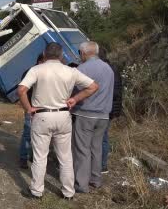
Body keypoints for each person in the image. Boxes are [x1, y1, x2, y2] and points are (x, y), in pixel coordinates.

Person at [18, 42, 98, 200]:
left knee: (40, 156)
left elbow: (21, 89)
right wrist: (75, 99)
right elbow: (93, 86)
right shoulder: (71, 71)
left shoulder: (36, 70)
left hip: (42, 115)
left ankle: (36, 191)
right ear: (61, 55)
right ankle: (68, 192)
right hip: (63, 116)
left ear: (44, 53)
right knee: (65, 157)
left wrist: (28, 108)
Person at [72, 41, 114, 193]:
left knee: (82, 149)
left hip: (85, 113)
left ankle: (81, 184)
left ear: (83, 53)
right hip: (103, 115)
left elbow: (74, 92)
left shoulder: (82, 69)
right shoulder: (108, 68)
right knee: (96, 148)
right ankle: (95, 180)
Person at [98, 47, 123, 174]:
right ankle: (103, 165)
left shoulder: (104, 70)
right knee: (104, 137)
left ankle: (100, 165)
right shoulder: (113, 68)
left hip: (104, 109)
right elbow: (118, 91)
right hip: (111, 109)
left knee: (101, 137)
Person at [19, 54, 45, 169]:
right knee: (28, 134)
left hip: (42, 110)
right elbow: (22, 91)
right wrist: (28, 108)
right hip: (31, 108)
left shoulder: (43, 73)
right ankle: (23, 158)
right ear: (40, 61)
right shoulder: (31, 72)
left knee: (39, 136)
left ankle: (32, 156)